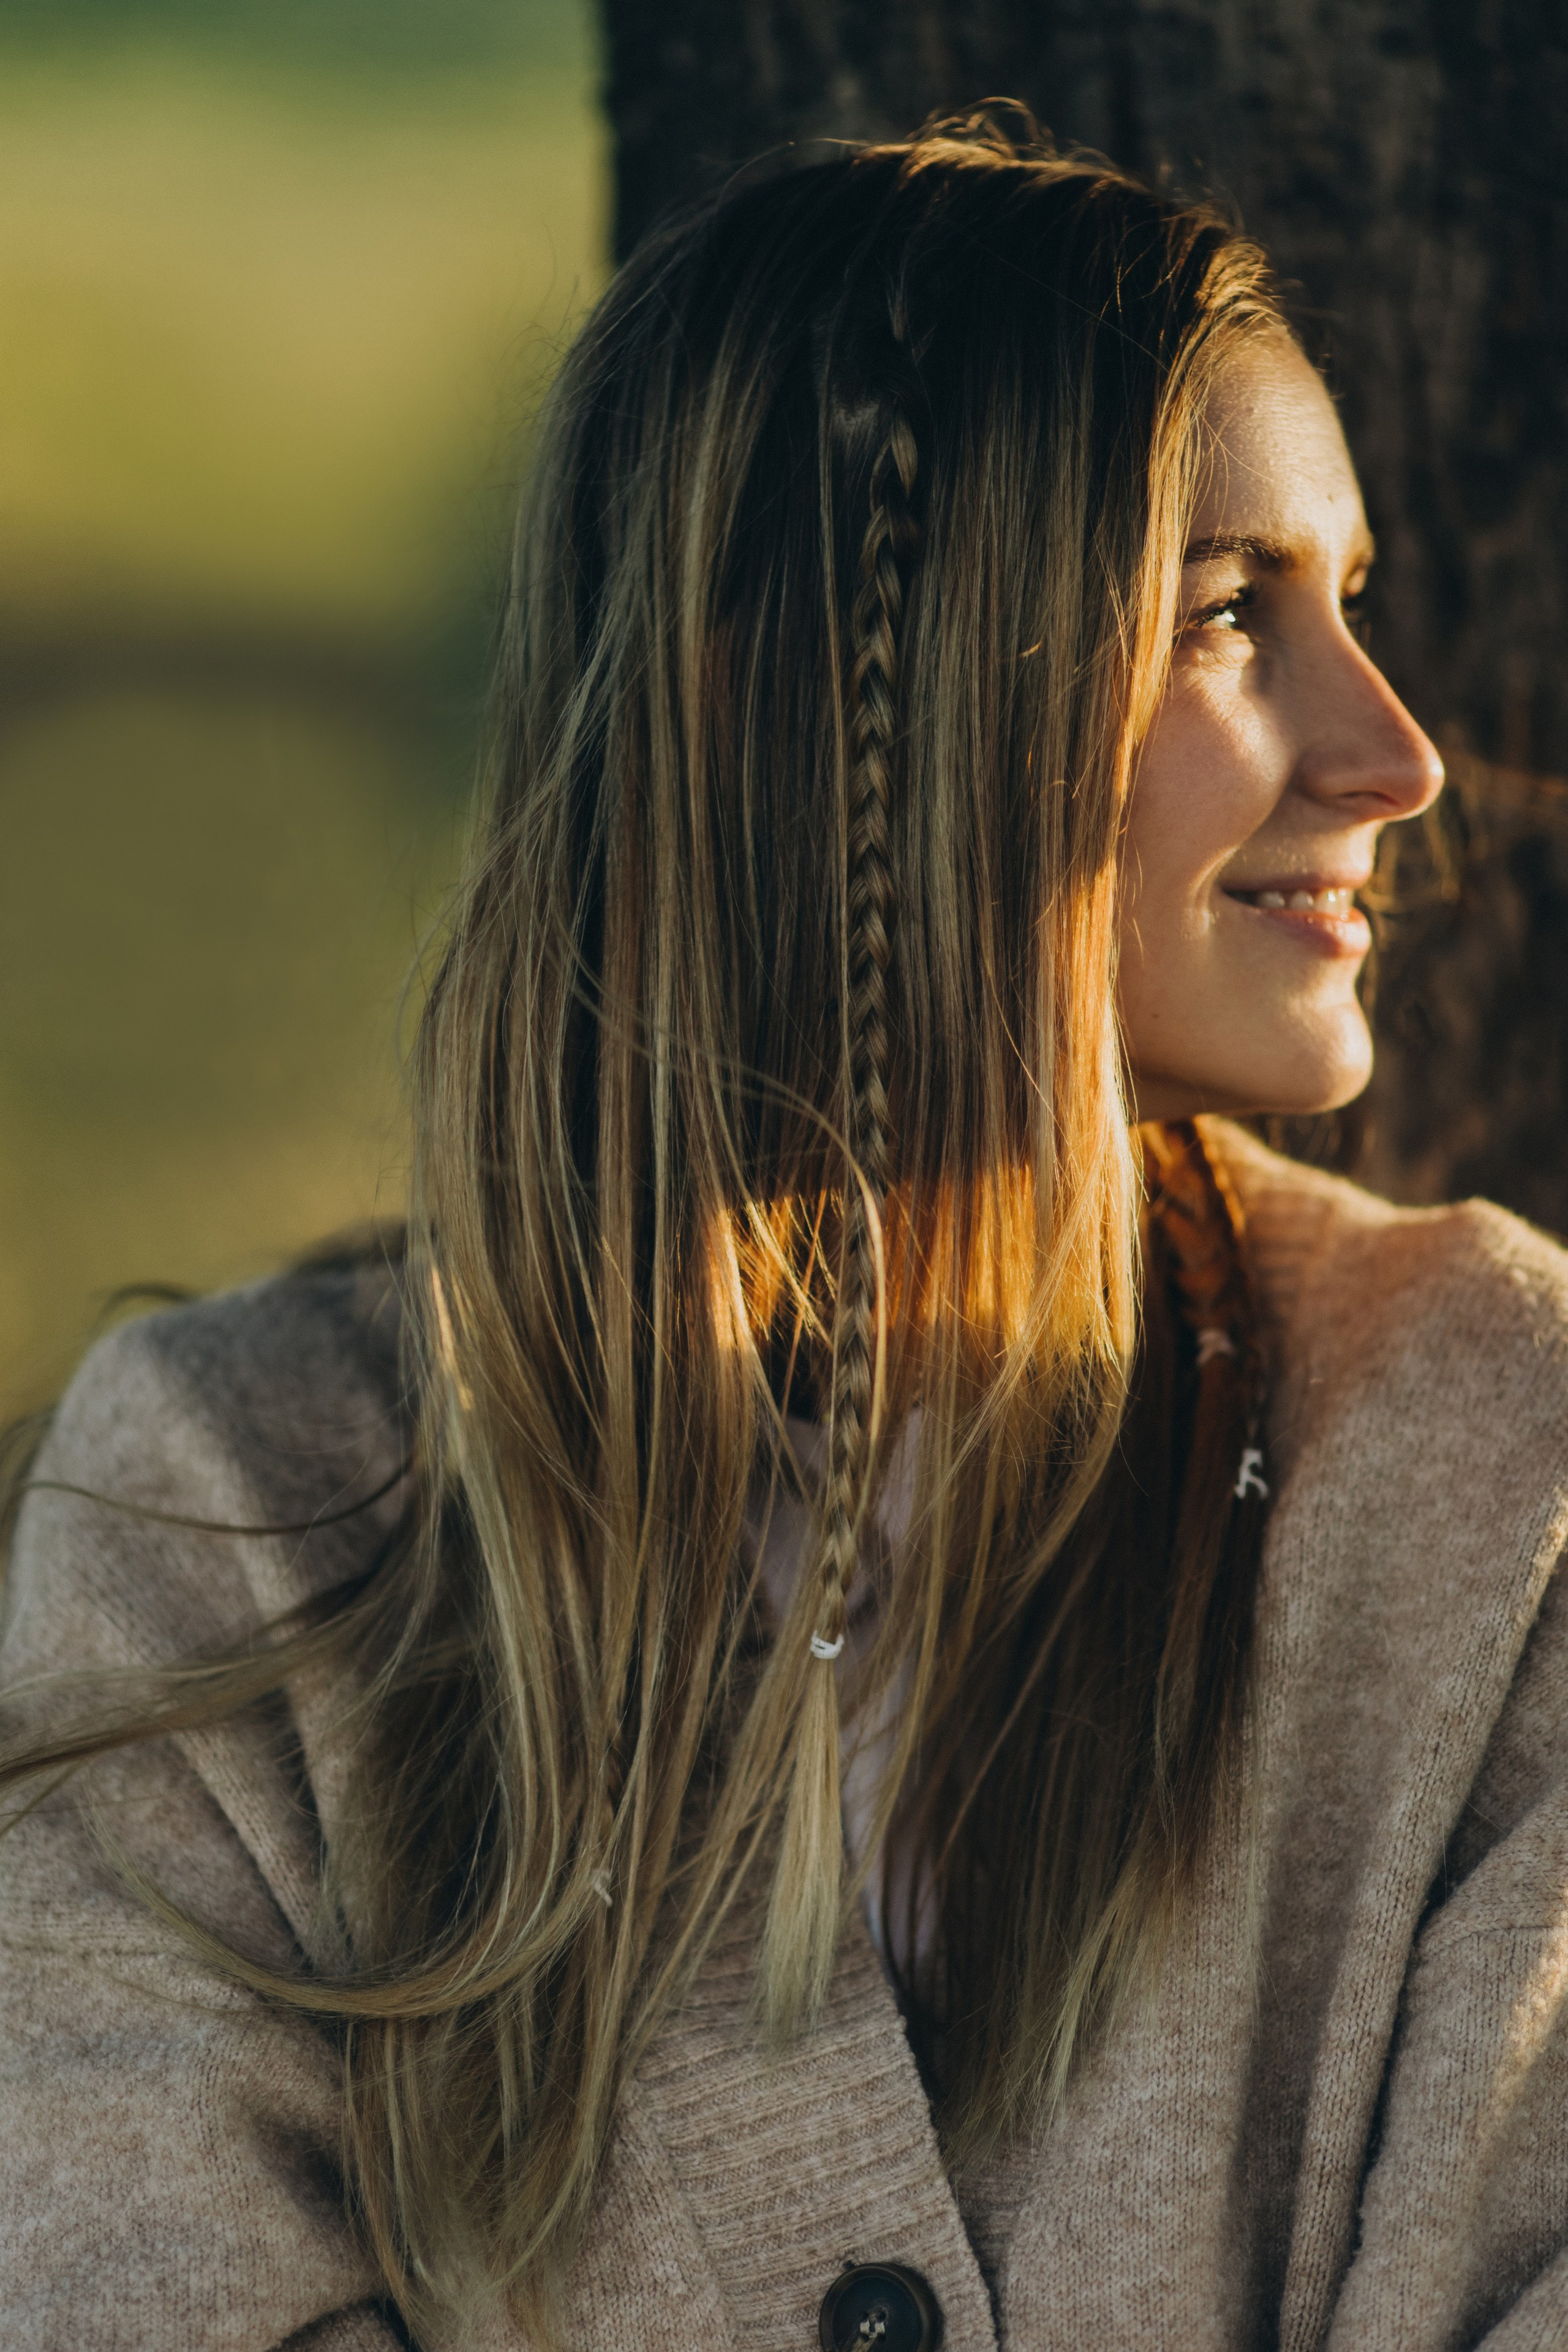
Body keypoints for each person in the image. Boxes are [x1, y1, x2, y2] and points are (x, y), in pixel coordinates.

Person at [4, 110, 1567, 2352]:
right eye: (1230, 615)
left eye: (1353, 602)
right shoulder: (233, 1519)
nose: (1393, 752)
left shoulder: (1492, 1468)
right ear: (807, 699)